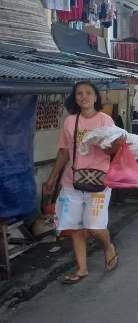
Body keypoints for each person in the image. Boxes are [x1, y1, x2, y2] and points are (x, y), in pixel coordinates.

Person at [42, 81, 121, 284]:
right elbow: (63, 152)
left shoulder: (105, 121)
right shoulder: (70, 122)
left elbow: (112, 151)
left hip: (99, 182)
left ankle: (107, 246)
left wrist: (109, 144)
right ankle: (82, 269)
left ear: (96, 97)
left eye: (88, 93)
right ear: (75, 98)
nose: (83, 97)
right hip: (72, 182)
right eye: (79, 93)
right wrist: (51, 179)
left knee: (94, 228)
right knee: (75, 227)